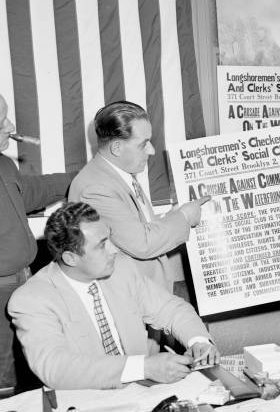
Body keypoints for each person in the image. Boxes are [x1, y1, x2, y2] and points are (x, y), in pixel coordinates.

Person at [8, 202, 218, 390]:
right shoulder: (32, 299)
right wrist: (142, 368)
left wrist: (198, 342)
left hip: (145, 392)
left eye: (108, 238)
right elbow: (56, 368)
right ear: (71, 258)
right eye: (101, 245)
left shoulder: (121, 268)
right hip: (86, 405)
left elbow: (170, 309)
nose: (113, 250)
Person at [69, 101, 209, 292]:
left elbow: (133, 227)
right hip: (128, 297)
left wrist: (171, 216)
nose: (151, 150)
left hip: (145, 289)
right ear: (117, 148)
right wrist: (184, 217)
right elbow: (142, 244)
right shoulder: (96, 188)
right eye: (143, 144)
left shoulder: (117, 173)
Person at [0, 87, 75, 390]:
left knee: (34, 370)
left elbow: (27, 193)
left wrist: (79, 178)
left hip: (24, 284)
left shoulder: (1, 162)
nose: (11, 128)